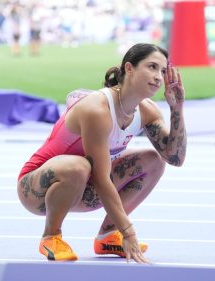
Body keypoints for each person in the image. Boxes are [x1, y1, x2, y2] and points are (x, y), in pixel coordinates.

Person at [17, 43, 187, 263]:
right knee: (79, 166)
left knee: (154, 161)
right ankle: (51, 236)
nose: (158, 77)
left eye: (163, 71)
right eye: (152, 67)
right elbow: (100, 176)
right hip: (36, 190)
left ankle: (108, 236)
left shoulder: (147, 111)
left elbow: (175, 157)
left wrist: (177, 108)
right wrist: (130, 232)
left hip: (85, 186)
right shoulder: (97, 109)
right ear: (129, 68)